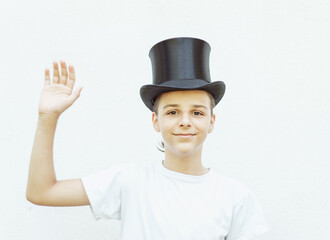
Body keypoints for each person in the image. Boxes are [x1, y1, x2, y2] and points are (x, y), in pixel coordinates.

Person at [26, 37, 270, 239]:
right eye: (172, 112)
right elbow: (41, 192)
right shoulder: (130, 182)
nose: (185, 121)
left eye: (197, 112)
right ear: (156, 121)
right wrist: (48, 118)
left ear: (211, 122)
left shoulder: (235, 196)